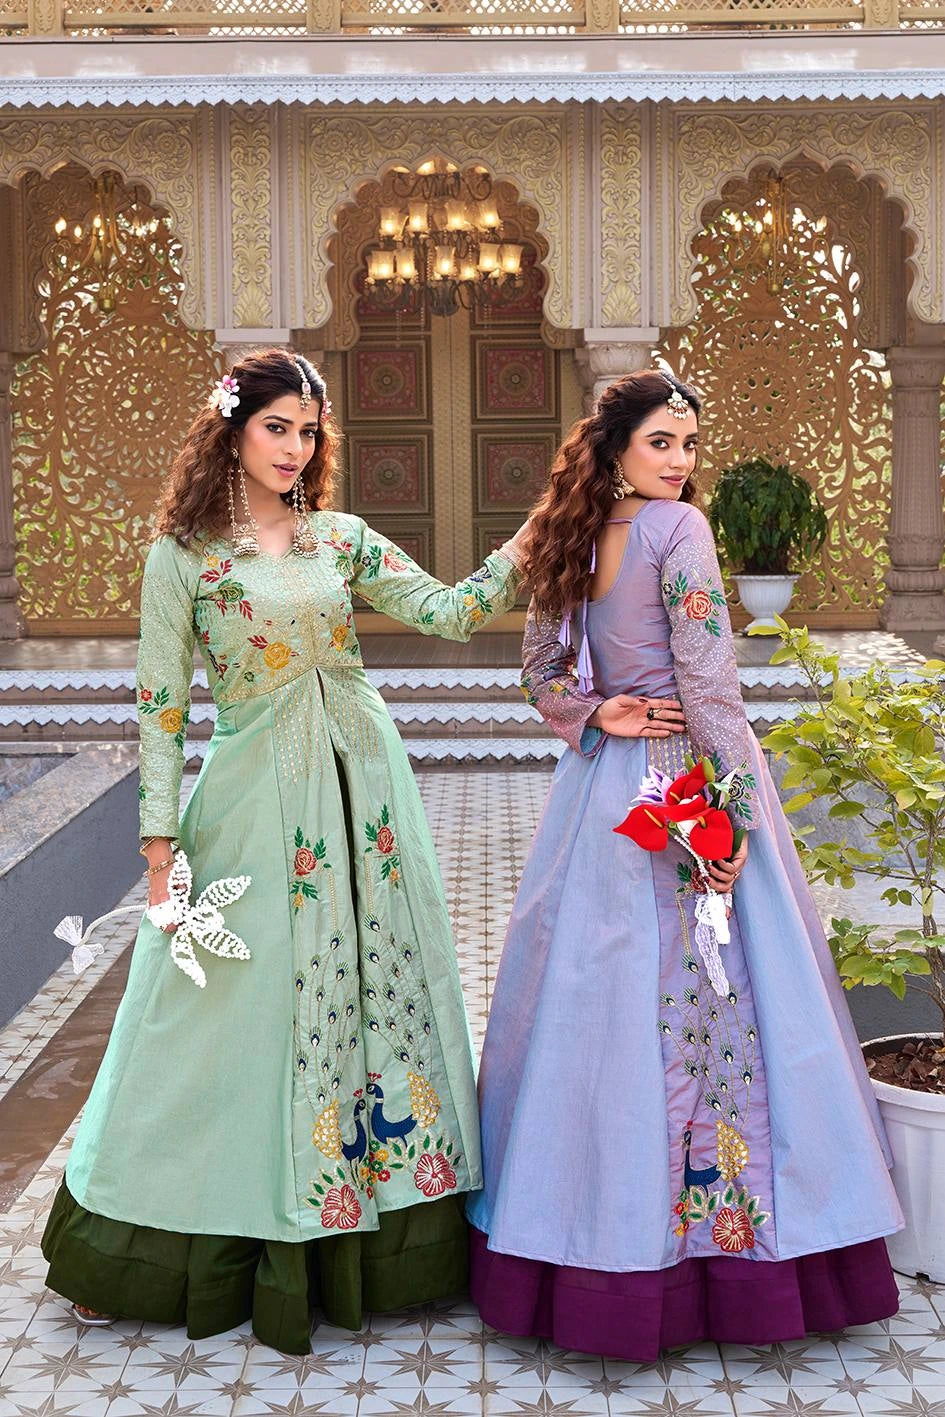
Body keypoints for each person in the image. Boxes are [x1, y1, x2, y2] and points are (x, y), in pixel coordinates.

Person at [42, 347, 541, 1354]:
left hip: (368, 801)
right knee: (214, 1014)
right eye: (277, 427)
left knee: (378, 999)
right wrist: (157, 845)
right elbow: (159, 706)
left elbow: (451, 614)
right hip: (252, 804)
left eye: (309, 431)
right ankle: (141, 1245)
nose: (295, 447)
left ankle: (386, 1244)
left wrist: (538, 530)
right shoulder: (183, 556)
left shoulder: (338, 539)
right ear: (231, 429)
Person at [468, 369, 902, 1360]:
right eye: (661, 441)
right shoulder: (679, 531)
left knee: (593, 1004)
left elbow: (540, 673)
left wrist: (594, 714)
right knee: (718, 999)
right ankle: (725, 1256)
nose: (679, 461)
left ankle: (580, 1238)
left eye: (690, 444)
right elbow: (709, 684)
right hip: (684, 787)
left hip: (600, 796)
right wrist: (735, 817)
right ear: (616, 443)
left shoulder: (571, 531)